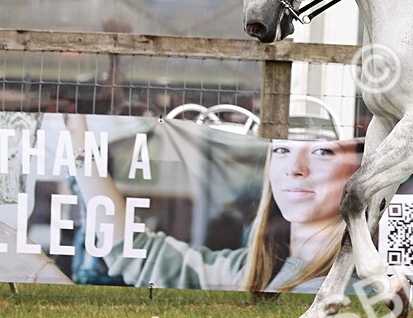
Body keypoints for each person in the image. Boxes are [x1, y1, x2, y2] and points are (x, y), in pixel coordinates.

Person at [68, 117, 362, 292]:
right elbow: (138, 254)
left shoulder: (354, 290)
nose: (294, 168)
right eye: (282, 150)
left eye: (322, 152)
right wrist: (79, 142)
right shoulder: (249, 271)